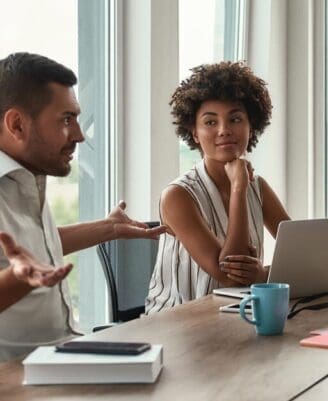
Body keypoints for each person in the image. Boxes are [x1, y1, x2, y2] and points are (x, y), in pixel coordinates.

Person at [0, 52, 165, 361]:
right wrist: (15, 278)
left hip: (60, 354)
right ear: (17, 124)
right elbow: (21, 265)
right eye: (66, 120)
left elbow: (37, 244)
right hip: (14, 377)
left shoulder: (27, 176)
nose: (78, 135)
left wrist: (108, 228)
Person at [145, 61, 290, 313]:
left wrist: (262, 274)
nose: (224, 130)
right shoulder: (177, 196)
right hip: (178, 324)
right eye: (210, 122)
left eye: (235, 119)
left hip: (237, 316)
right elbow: (230, 277)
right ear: (194, 133)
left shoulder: (258, 187)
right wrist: (238, 189)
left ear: (251, 126)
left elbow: (300, 254)